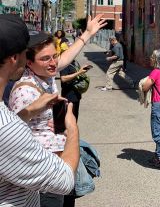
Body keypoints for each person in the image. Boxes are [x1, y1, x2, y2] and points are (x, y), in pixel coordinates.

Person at [8, 15, 106, 206]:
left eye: (54, 56)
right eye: (45, 58)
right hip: (43, 176)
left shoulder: (45, 73)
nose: (53, 62)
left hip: (58, 167)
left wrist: (87, 34)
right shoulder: (25, 91)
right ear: (28, 62)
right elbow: (12, 134)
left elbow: (65, 57)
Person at [0, 14, 80, 206]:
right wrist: (72, 129)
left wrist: (29, 112)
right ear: (15, 58)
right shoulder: (6, 127)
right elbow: (64, 180)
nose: (53, 62)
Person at [60, 47, 92, 120]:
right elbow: (63, 78)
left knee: (75, 115)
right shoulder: (65, 64)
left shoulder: (74, 61)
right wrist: (79, 72)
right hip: (69, 95)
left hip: (76, 93)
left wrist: (82, 69)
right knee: (70, 117)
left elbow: (77, 72)